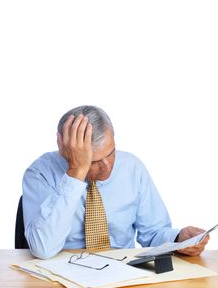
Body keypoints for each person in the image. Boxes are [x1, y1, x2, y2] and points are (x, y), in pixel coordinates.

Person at [22, 105, 209, 259]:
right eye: (92, 161)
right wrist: (76, 171)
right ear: (64, 148)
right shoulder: (40, 173)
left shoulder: (132, 168)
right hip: (62, 274)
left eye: (111, 153)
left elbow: (152, 234)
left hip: (122, 273)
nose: (106, 167)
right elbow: (42, 248)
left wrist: (178, 239)